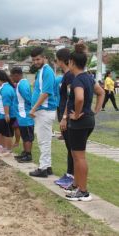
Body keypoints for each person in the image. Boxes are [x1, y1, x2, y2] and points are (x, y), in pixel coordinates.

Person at [65, 43, 105, 201]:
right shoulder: (89, 77)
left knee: (79, 156)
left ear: (71, 63)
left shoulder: (77, 81)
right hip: (88, 120)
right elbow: (101, 92)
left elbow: (80, 98)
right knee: (76, 155)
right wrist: (95, 110)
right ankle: (76, 185)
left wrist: (76, 115)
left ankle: (83, 191)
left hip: (80, 122)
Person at [29, 47, 57, 178]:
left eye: (38, 59)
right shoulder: (41, 71)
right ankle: (47, 166)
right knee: (44, 140)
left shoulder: (47, 71)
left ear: (45, 58)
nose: (36, 61)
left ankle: (43, 168)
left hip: (44, 111)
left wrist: (34, 108)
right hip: (42, 111)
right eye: (34, 60)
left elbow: (46, 92)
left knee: (43, 141)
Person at [53, 48, 75, 188]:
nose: (56, 62)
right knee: (69, 146)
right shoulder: (66, 76)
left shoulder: (69, 76)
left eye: (56, 59)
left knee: (72, 148)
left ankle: (71, 176)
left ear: (61, 60)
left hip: (67, 116)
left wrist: (65, 117)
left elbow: (70, 98)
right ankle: (69, 174)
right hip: (62, 113)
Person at [10, 67, 34, 163]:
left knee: (27, 136)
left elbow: (28, 98)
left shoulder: (22, 84)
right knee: (24, 135)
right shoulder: (20, 83)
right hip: (21, 115)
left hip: (25, 115)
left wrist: (30, 109)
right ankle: (25, 152)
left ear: (17, 75)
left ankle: (28, 155)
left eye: (12, 76)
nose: (11, 78)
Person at [0, 70, 17, 155]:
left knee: (7, 133)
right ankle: (3, 147)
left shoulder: (6, 88)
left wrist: (6, 114)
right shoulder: (3, 87)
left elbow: (6, 102)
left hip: (6, 115)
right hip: (1, 114)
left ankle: (8, 149)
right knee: (3, 132)